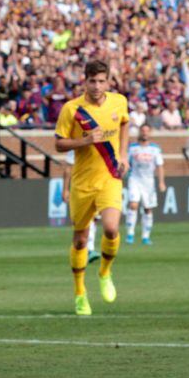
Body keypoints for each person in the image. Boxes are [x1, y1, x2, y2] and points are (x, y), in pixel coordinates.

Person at [54, 60, 129, 316]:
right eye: (92, 81)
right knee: (81, 240)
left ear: (108, 82)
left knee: (110, 228)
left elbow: (124, 124)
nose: (96, 86)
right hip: (82, 182)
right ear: (84, 81)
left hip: (109, 177)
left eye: (101, 81)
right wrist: (84, 141)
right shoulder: (72, 109)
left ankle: (105, 272)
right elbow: (59, 144)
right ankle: (79, 293)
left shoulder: (119, 102)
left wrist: (124, 155)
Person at [125, 124, 166, 245]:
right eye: (142, 130)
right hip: (135, 179)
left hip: (148, 181)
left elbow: (160, 166)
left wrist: (161, 182)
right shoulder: (132, 147)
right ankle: (130, 233)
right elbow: (126, 163)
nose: (144, 133)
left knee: (148, 209)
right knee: (133, 205)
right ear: (139, 132)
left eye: (147, 131)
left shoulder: (155, 149)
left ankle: (145, 236)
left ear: (150, 133)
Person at [60, 150, 99, 264]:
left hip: (98, 185)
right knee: (81, 221)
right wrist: (65, 189)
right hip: (80, 187)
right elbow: (68, 169)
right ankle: (83, 249)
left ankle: (90, 249)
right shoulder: (77, 145)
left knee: (94, 218)